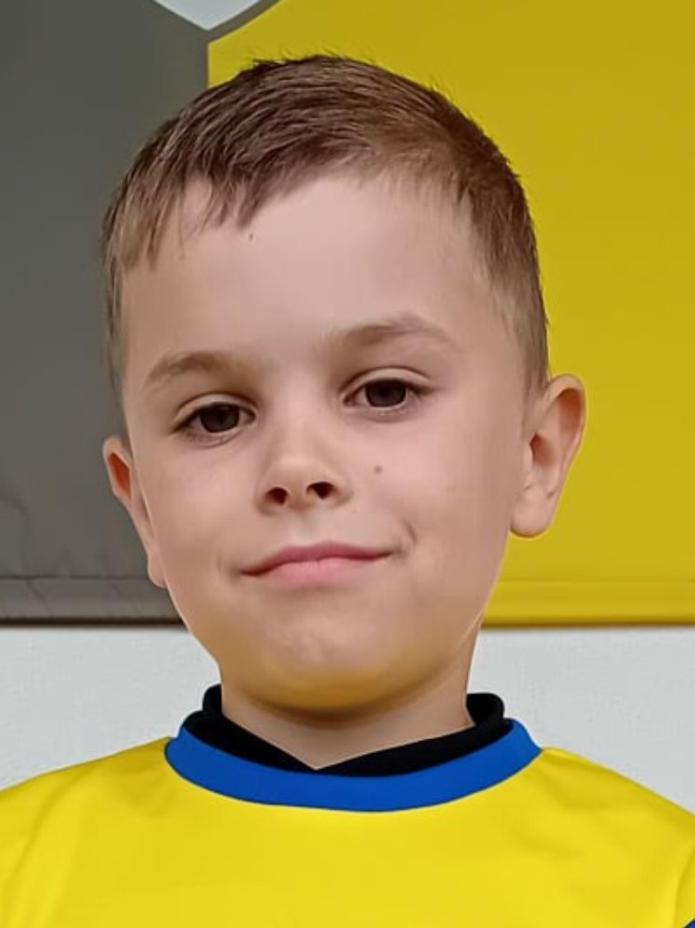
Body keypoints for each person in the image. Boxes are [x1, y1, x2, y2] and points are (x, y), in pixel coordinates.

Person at [1, 53, 693, 926]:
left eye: (384, 392)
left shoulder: (665, 889)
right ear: (141, 507)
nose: (297, 466)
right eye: (217, 415)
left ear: (535, 453)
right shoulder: (17, 874)